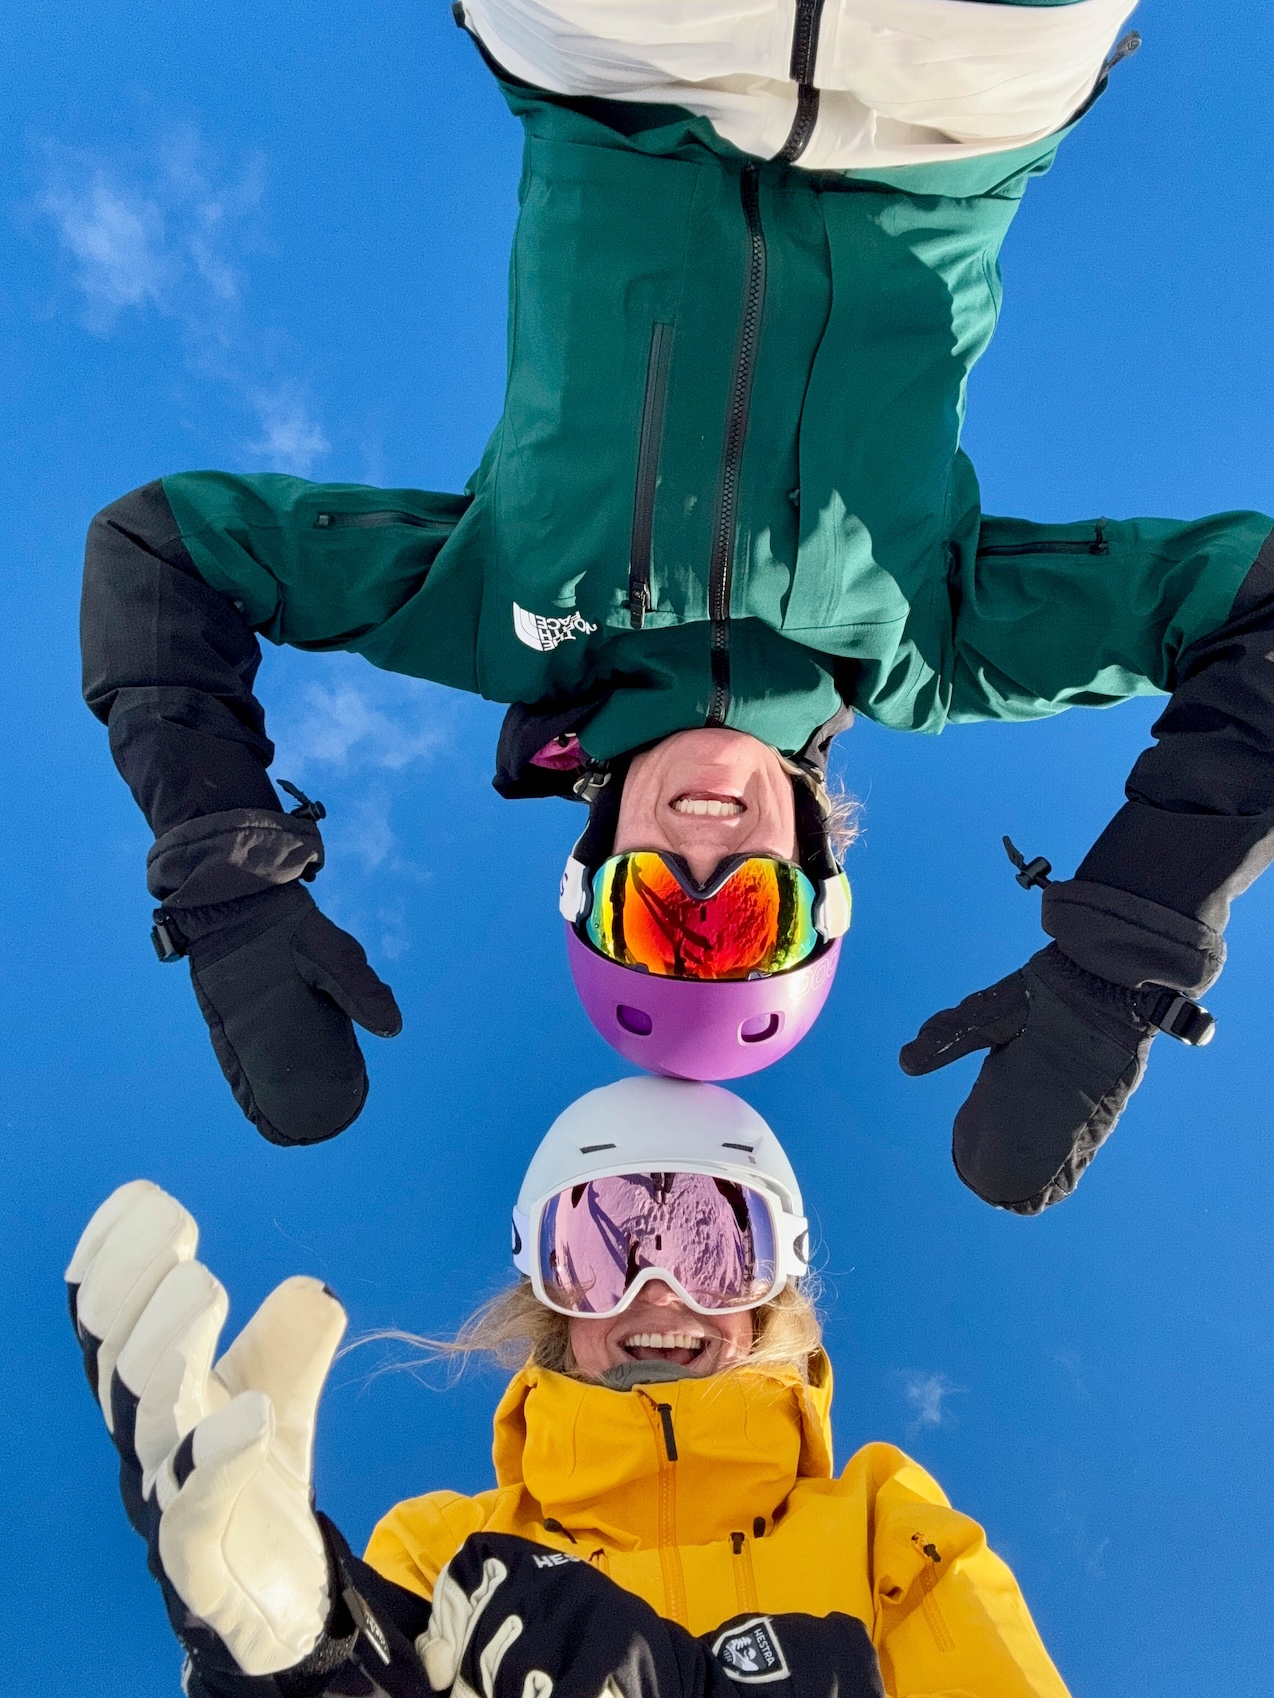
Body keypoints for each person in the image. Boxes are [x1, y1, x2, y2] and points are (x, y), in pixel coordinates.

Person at [81, 1, 1274, 1210]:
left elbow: (163, 551)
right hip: (950, 100)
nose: (705, 853)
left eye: (655, 908)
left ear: (593, 860)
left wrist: (231, 888)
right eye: (746, 912)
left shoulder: (490, 619)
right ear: (815, 868)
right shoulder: (933, 646)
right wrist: (1120, 959)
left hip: (621, 63)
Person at [67, 1076, 1074, 1698]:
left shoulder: (876, 1520)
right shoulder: (447, 1546)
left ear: (776, 1294)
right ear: (549, 1302)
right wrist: (300, 1666)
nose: (658, 1290)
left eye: (715, 1248)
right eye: (599, 1248)